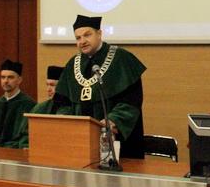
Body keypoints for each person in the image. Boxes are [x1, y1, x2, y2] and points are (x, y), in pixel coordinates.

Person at [55, 15, 147, 159]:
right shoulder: (72, 64)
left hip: (117, 140)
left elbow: (131, 100)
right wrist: (67, 120)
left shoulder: (122, 58)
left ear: (99, 33)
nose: (82, 41)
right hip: (79, 141)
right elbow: (61, 101)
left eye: (87, 35)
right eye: (78, 38)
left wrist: (113, 120)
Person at [19, 65, 64, 149]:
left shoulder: (73, 108)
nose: (48, 89)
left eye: (52, 85)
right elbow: (26, 135)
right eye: (47, 85)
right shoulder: (40, 108)